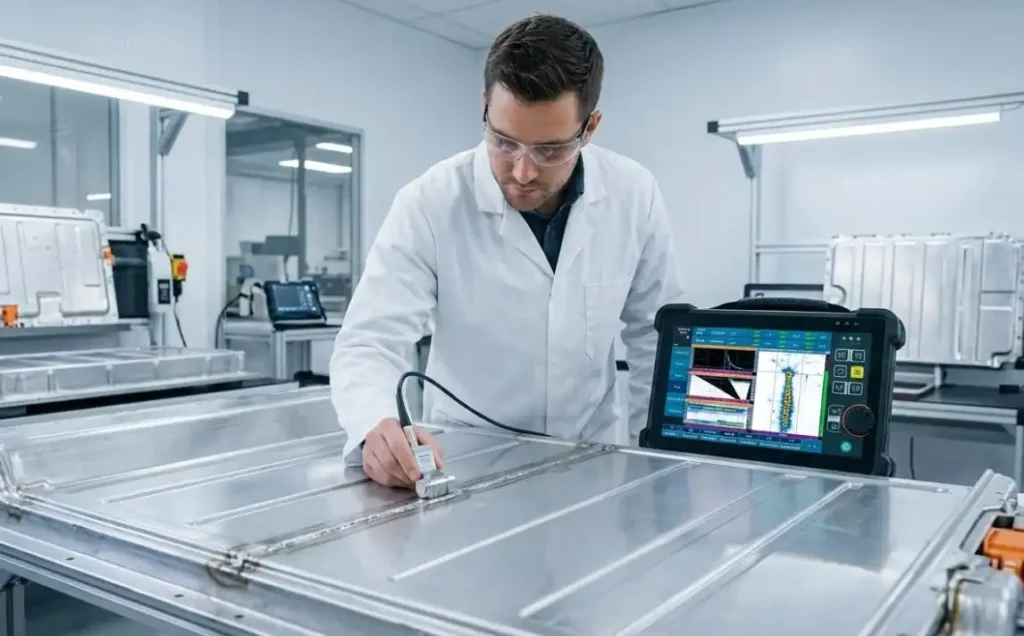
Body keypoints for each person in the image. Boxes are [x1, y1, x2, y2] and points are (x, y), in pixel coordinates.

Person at [330, 14, 684, 489]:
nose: (521, 172)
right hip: (467, 461)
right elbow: (370, 339)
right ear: (484, 108)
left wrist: (655, 465)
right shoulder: (430, 202)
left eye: (550, 150)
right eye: (504, 142)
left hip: (591, 461)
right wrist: (376, 423)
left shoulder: (634, 194)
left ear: (590, 127)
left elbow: (656, 337)